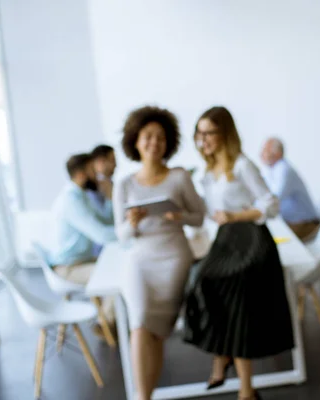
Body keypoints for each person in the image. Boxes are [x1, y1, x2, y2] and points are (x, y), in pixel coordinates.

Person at [184, 106, 294, 400]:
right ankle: (222, 356)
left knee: (237, 306)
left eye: (209, 132)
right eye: (199, 133)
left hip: (251, 242)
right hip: (226, 240)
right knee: (203, 282)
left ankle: (244, 386)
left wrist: (235, 216)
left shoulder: (242, 165)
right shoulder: (208, 171)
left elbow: (270, 205)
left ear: (225, 133)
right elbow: (211, 213)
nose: (203, 139)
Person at [112, 106, 205, 400]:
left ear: (169, 143)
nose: (154, 143)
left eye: (160, 138)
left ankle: (148, 394)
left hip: (174, 258)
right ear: (135, 141)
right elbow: (121, 235)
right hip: (140, 260)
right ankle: (143, 397)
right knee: (139, 323)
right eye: (148, 137)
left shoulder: (178, 177)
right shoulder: (124, 184)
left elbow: (199, 217)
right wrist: (132, 223)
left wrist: (179, 217)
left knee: (157, 332)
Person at [50, 153, 117, 324]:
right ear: (81, 175)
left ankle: (114, 320)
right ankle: (106, 324)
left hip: (82, 260)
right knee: (114, 276)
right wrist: (130, 231)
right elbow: (101, 235)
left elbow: (106, 221)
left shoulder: (81, 195)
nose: (97, 175)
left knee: (117, 266)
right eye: (93, 171)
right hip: (69, 268)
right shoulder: (71, 201)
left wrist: (109, 197)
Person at [260, 137, 320, 240]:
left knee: (268, 239)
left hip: (305, 225)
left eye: (266, 150)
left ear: (278, 153)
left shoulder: (284, 169)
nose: (261, 153)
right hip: (293, 223)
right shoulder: (272, 170)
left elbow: (274, 199)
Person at [88, 144, 117, 256]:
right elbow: (105, 222)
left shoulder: (110, 184)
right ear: (100, 162)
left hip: (113, 244)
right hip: (100, 251)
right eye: (112, 160)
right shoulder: (91, 190)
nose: (115, 165)